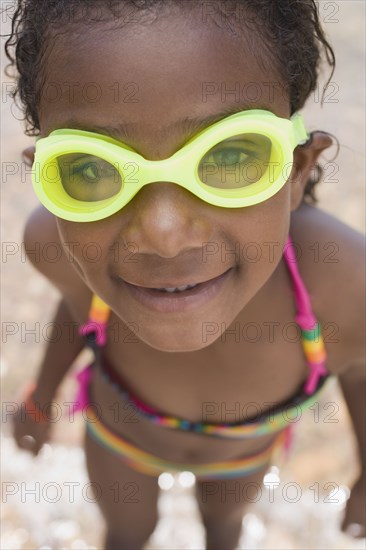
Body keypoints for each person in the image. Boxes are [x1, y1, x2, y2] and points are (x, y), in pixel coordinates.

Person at [5, 1, 365, 548]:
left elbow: (359, 372)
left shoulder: (344, 286)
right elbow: (79, 313)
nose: (164, 235)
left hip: (239, 458)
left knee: (224, 530)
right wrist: (41, 396)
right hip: (121, 439)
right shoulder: (54, 247)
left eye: (229, 157)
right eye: (91, 170)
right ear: (52, 190)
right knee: (127, 534)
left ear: (296, 171)